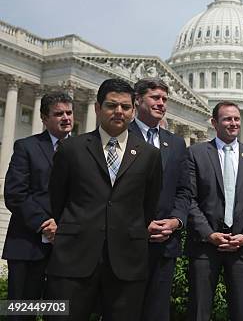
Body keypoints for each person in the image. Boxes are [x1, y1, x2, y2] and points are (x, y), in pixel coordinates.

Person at [45, 78, 162, 319]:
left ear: (133, 110)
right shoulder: (71, 149)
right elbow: (57, 200)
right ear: (98, 108)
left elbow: (149, 205)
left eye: (125, 107)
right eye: (111, 105)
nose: (119, 111)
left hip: (126, 263)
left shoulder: (150, 155)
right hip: (74, 260)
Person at [186, 101, 243, 321]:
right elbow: (190, 199)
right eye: (227, 119)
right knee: (198, 311)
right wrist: (209, 234)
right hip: (205, 247)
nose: (233, 124)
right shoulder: (196, 153)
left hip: (242, 248)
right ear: (214, 123)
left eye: (236, 119)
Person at [2, 92, 73, 320]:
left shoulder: (83, 151)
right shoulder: (26, 147)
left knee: (59, 313)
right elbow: (15, 193)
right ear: (44, 118)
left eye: (69, 113)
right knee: (21, 314)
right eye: (58, 113)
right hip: (27, 244)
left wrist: (63, 225)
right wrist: (45, 224)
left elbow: (86, 197)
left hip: (64, 250)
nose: (66, 118)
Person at [130, 78, 192, 321]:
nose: (161, 103)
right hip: (127, 242)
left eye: (164, 99)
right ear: (138, 100)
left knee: (157, 312)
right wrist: (140, 224)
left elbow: (184, 190)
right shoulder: (122, 135)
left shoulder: (176, 143)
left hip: (166, 242)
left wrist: (175, 221)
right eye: (155, 97)